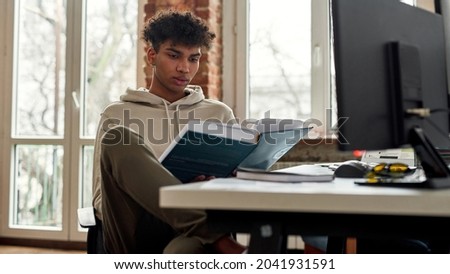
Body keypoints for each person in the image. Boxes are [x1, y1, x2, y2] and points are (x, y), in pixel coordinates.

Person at [91, 9, 246, 254]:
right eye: (174, 56)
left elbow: (234, 189)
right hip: (134, 227)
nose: (185, 68)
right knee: (118, 138)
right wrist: (157, 192)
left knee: (179, 255)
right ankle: (219, 239)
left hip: (193, 230)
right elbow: (102, 201)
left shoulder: (219, 114)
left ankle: (212, 236)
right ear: (152, 56)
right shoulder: (117, 114)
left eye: (193, 58)